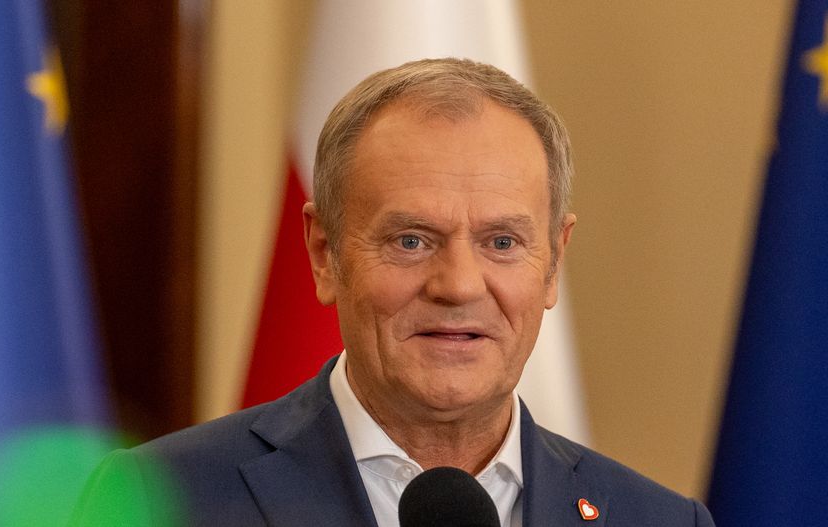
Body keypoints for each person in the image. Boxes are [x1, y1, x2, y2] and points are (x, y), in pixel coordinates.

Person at [71, 58, 715, 527]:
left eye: (501, 242)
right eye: (411, 239)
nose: (459, 285)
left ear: (553, 263)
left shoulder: (658, 520)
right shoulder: (156, 501)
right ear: (325, 254)